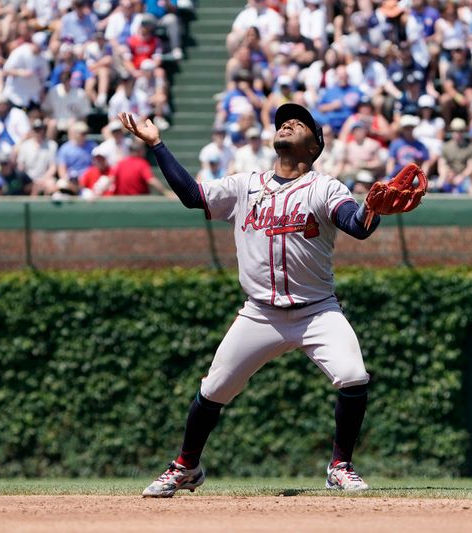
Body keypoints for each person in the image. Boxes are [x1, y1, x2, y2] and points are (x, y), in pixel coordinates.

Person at [118, 102, 388, 497]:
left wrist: (373, 210)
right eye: (283, 121)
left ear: (315, 147)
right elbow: (194, 196)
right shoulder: (245, 185)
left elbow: (355, 224)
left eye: (299, 123)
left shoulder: (325, 187)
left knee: (352, 375)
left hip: (317, 311)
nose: (288, 124)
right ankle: (185, 467)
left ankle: (339, 466)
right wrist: (157, 145)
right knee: (213, 389)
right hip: (259, 314)